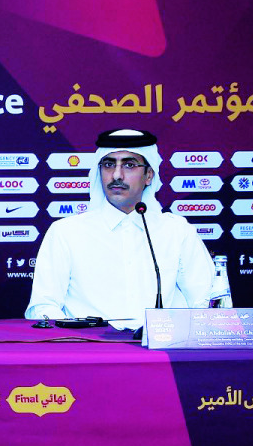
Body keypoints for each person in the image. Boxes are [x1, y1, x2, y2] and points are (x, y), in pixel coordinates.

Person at [25, 128, 214, 327]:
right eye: (108, 165)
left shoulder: (176, 230)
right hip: (89, 350)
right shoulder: (66, 232)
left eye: (129, 165)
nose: (117, 175)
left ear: (149, 175)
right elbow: (43, 307)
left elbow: (207, 302)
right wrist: (80, 337)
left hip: (162, 350)